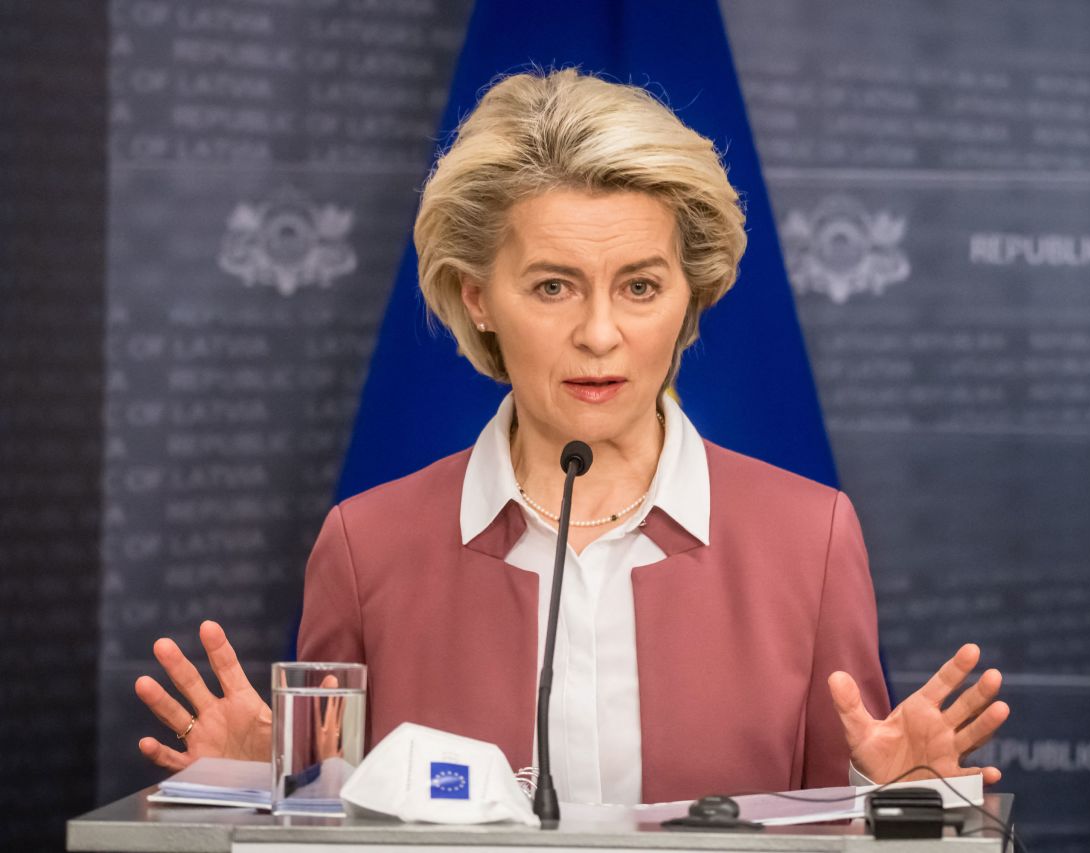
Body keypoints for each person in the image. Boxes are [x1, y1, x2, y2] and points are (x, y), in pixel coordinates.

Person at [135, 68, 1008, 805]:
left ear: (691, 295)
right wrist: (275, 794)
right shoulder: (369, 547)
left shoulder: (808, 537)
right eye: (553, 286)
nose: (599, 334)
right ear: (478, 296)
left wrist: (894, 796)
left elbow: (835, 818)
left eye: (639, 286)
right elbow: (338, 825)